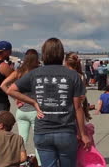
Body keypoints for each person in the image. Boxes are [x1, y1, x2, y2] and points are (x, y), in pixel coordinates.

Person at [7, 38, 91, 167]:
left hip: (43, 131)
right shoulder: (73, 75)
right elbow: (77, 107)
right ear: (61, 54)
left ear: (44, 54)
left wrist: (33, 102)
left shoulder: (35, 73)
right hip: (66, 130)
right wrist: (83, 133)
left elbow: (11, 90)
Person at [0, 49, 40, 163]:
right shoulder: (38, 72)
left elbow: (3, 85)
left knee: (21, 139)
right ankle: (40, 163)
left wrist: (17, 98)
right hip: (35, 110)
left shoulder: (18, 72)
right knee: (38, 141)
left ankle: (20, 162)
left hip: (21, 111)